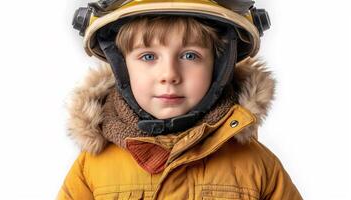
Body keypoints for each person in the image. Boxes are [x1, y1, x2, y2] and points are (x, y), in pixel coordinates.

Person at [58, 0, 302, 199]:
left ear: (219, 67)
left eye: (189, 55)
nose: (169, 75)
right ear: (122, 67)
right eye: (148, 56)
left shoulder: (257, 167)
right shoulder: (92, 169)